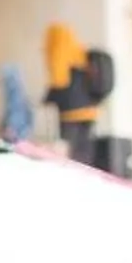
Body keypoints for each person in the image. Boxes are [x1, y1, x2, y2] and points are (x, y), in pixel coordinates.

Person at [42, 23, 111, 168]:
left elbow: (59, 84)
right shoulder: (83, 56)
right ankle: (85, 177)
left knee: (68, 154)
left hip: (70, 116)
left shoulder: (61, 56)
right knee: (84, 151)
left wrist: (47, 99)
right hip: (89, 113)